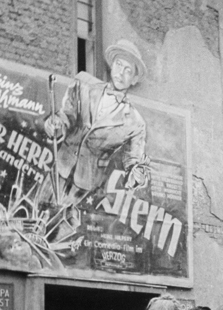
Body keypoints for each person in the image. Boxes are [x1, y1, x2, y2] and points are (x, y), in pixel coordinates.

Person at [44, 39, 150, 217]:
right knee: (34, 214)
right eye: (118, 65)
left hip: (86, 184)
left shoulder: (135, 122)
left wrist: (136, 175)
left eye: (128, 70)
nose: (121, 73)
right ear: (112, 65)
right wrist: (56, 124)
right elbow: (66, 117)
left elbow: (133, 161)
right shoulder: (83, 85)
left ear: (133, 80)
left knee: (58, 228)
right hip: (60, 165)